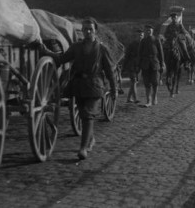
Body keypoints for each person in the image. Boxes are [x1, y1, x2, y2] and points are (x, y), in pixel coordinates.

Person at [51, 17, 117, 160]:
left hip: (94, 85)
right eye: (85, 29)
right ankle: (90, 139)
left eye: (90, 29)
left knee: (87, 115)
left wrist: (114, 89)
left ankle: (83, 148)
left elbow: (110, 71)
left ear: (95, 31)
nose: (87, 32)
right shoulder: (76, 47)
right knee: (82, 114)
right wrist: (44, 51)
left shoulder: (101, 49)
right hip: (78, 84)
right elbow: (61, 59)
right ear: (82, 31)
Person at [138, 24, 164, 107]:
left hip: (155, 63)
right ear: (145, 31)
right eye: (146, 30)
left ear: (152, 31)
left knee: (155, 82)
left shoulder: (156, 40)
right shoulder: (143, 41)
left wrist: (162, 63)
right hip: (145, 64)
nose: (148, 32)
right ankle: (148, 100)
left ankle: (154, 97)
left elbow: (161, 53)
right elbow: (139, 53)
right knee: (147, 83)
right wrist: (139, 65)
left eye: (149, 30)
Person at [123, 28, 143, 103]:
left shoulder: (144, 44)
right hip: (131, 65)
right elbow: (127, 56)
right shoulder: (132, 44)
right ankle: (135, 98)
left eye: (141, 35)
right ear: (136, 36)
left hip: (139, 66)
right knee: (134, 81)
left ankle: (128, 98)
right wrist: (124, 67)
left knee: (134, 82)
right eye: (138, 35)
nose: (140, 37)